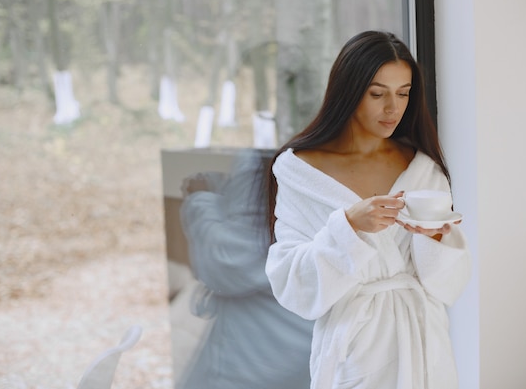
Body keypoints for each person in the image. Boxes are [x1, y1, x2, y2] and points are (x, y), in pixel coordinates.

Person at [265, 31, 471, 389]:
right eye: (378, 94)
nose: (393, 108)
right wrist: (347, 228)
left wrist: (436, 236)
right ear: (349, 91)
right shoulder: (301, 172)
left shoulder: (422, 168)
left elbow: (449, 284)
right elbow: (291, 281)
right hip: (354, 347)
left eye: (403, 94)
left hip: (424, 342)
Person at [177, 149, 314, 389]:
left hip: (257, 348)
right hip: (308, 341)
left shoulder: (263, 158)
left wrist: (201, 199)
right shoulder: (342, 156)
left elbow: (231, 262)